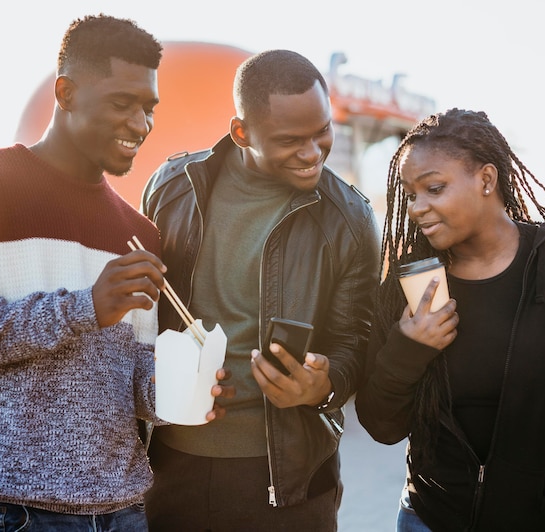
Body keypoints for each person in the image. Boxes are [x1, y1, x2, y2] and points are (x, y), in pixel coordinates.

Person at [0, 14, 231, 532]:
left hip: (121, 512)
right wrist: (85, 307)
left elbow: (131, 381)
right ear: (66, 93)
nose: (141, 125)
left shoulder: (139, 232)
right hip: (6, 512)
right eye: (122, 104)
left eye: (148, 109)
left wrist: (183, 389)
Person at [141, 49, 381, 531]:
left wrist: (325, 383)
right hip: (167, 467)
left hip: (290, 481)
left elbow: (359, 339)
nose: (313, 152)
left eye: (322, 132)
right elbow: (141, 322)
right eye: (291, 140)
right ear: (242, 133)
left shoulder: (351, 218)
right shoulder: (171, 188)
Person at [354, 108, 545, 531]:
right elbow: (381, 424)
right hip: (428, 518)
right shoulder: (412, 279)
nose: (418, 208)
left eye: (434, 189)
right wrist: (407, 350)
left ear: (487, 180)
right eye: (410, 195)